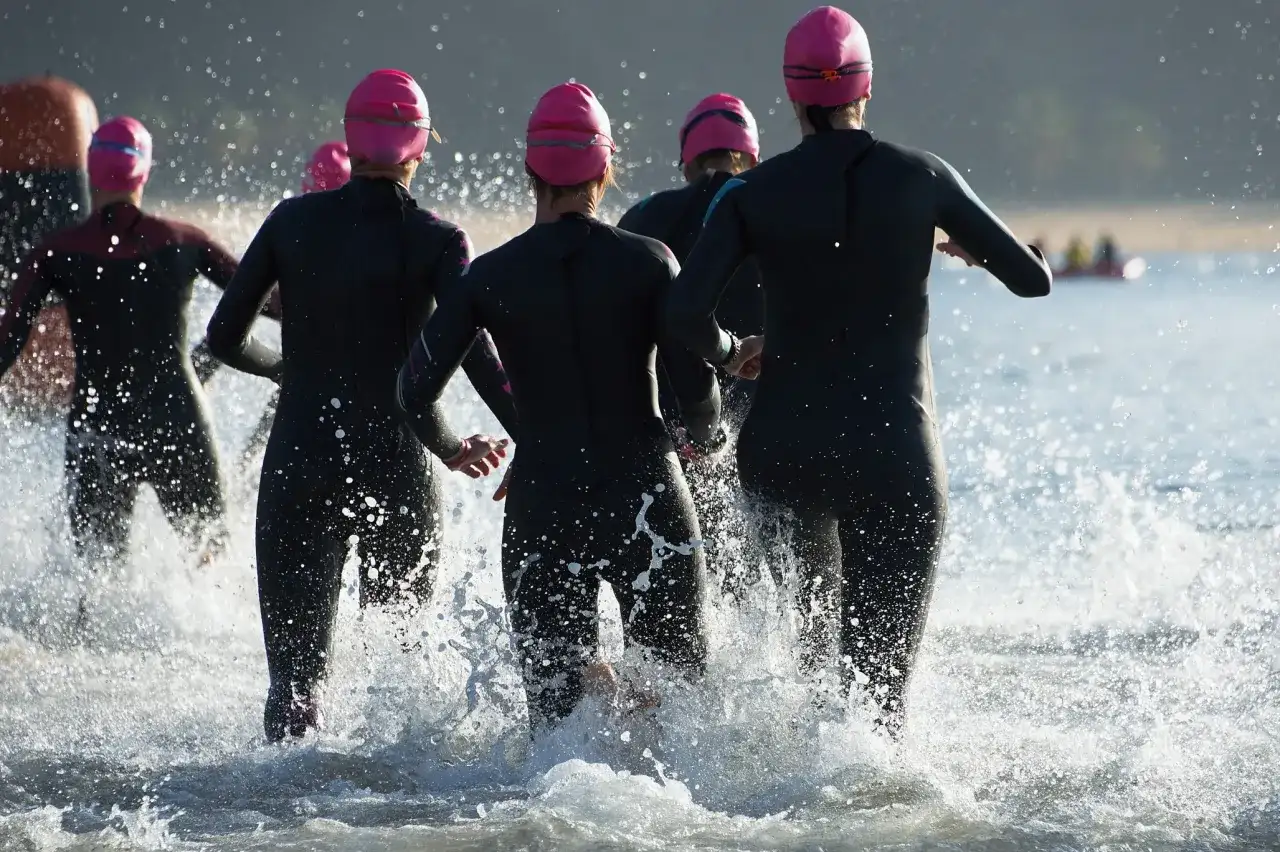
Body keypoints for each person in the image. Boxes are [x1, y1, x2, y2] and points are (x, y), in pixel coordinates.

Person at [666, 6, 1052, 736]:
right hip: (893, 455)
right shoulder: (922, 177)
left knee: (814, 674)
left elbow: (684, 315)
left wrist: (730, 353)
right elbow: (1032, 280)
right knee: (877, 707)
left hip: (784, 451)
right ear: (866, 90)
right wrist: (959, 242)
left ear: (792, 96)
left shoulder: (751, 193)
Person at [396, 82, 722, 734]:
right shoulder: (650, 262)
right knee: (681, 715)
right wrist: (703, 441)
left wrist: (453, 448)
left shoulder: (489, 276)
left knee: (559, 730)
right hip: (647, 497)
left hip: (547, 504)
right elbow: (695, 389)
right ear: (604, 170)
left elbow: (414, 390)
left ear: (530, 172)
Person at [205, 69, 514, 743]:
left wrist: (290, 369)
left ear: (352, 143)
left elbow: (223, 337)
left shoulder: (290, 222)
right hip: (398, 466)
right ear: (421, 148)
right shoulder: (437, 239)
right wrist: (515, 438)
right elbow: (476, 350)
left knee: (293, 684)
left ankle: (285, 819)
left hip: (299, 460)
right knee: (400, 675)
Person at [0, 116, 266, 586]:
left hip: (98, 428)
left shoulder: (57, 251)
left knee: (97, 581)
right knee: (211, 565)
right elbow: (269, 301)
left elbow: (7, 342)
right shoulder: (184, 240)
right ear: (143, 172)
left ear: (91, 170)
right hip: (178, 421)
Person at [617, 94, 762, 597]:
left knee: (687, 585)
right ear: (753, 159)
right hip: (760, 427)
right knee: (752, 587)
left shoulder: (646, 218)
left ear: (686, 161)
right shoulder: (774, 211)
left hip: (671, 429)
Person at [197, 141, 355, 469]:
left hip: (301, 379)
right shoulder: (372, 235)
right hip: (355, 384)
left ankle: (243, 475)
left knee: (266, 449)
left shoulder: (294, 228)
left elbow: (238, 320)